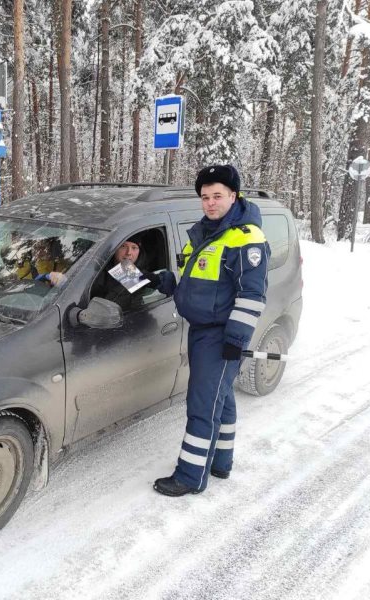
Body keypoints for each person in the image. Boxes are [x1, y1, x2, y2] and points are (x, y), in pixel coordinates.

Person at [145, 164, 271, 497]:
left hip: (220, 335)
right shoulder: (207, 231)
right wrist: (171, 284)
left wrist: (235, 340)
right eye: (205, 197)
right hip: (202, 330)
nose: (210, 203)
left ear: (233, 195)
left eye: (218, 196)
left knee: (202, 404)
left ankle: (190, 476)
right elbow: (198, 282)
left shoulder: (245, 238)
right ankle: (220, 462)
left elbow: (252, 294)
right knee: (222, 398)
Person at [91, 234, 151, 310]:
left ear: (139, 251)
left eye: (134, 247)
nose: (129, 252)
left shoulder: (141, 274)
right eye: (123, 246)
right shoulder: (96, 271)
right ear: (114, 249)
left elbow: (138, 306)